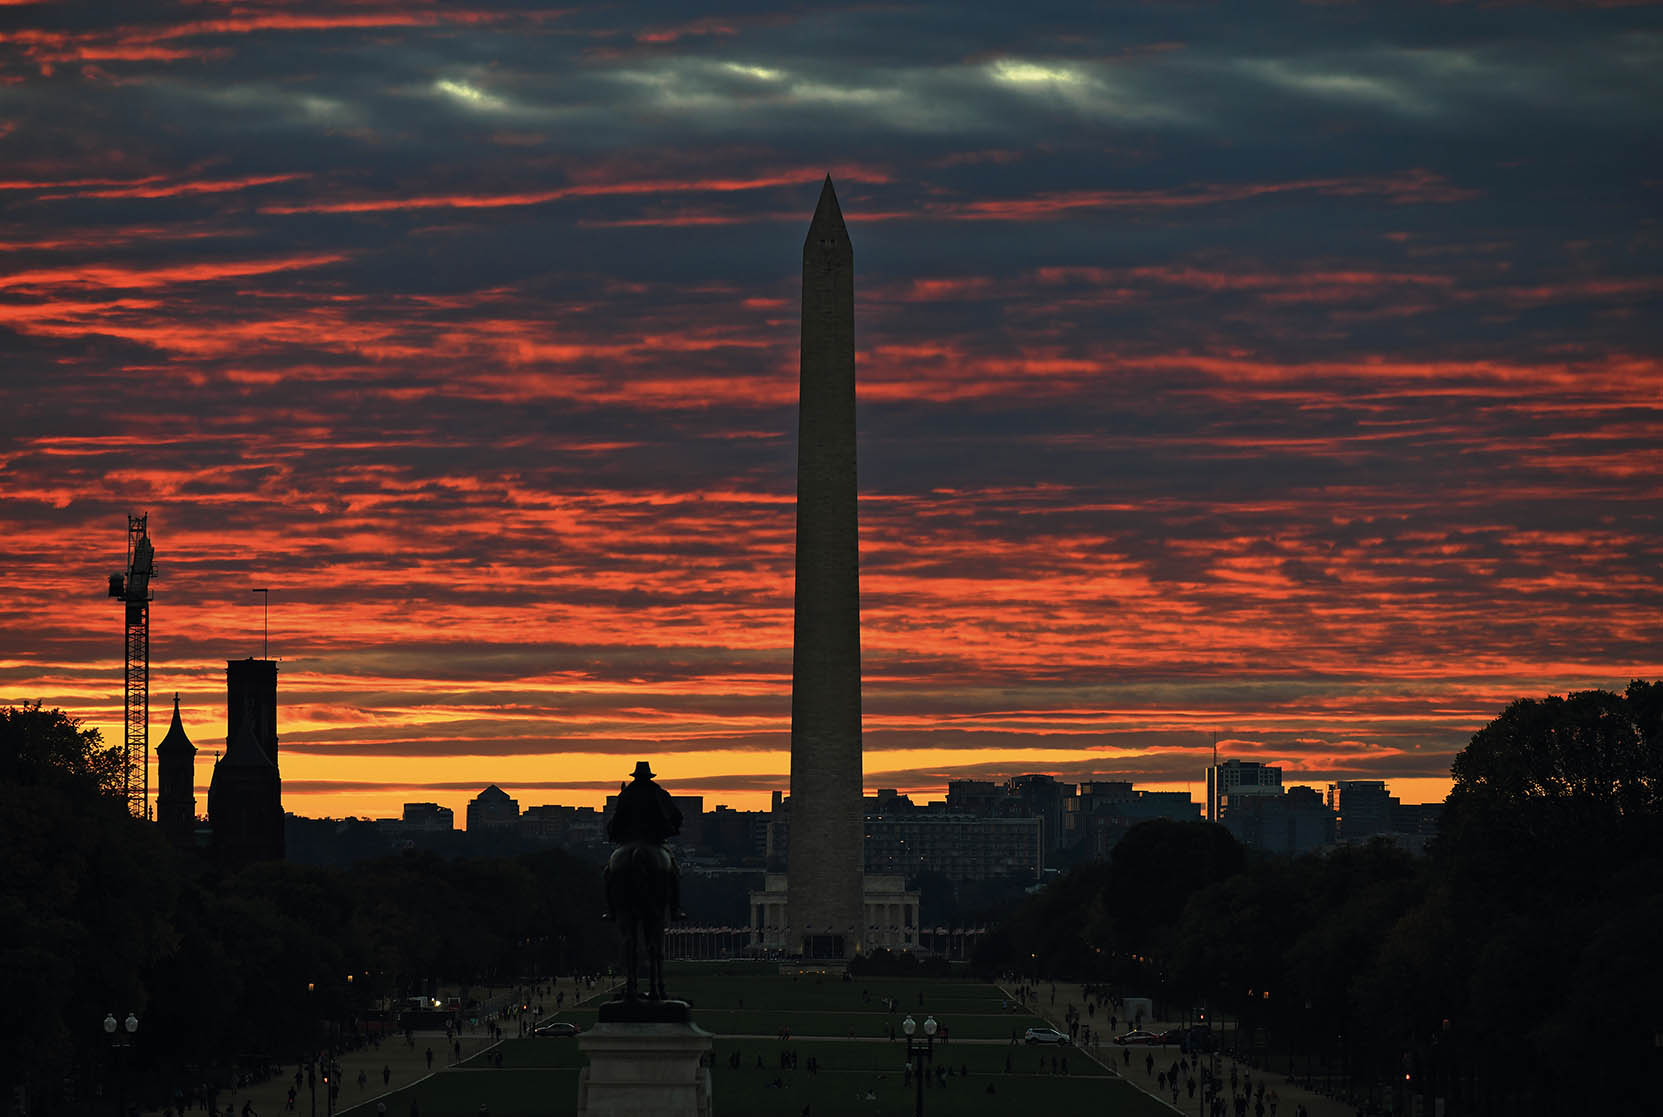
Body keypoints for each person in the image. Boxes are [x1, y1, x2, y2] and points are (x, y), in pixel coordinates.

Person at [606, 761, 685, 918]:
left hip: (629, 841)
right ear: (649, 776)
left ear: (635, 776)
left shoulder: (626, 794)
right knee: (674, 872)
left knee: (608, 873)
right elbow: (677, 817)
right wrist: (670, 829)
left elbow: (616, 820)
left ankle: (611, 911)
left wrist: (615, 834)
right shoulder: (659, 793)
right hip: (654, 841)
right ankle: (675, 909)